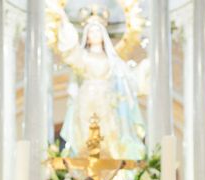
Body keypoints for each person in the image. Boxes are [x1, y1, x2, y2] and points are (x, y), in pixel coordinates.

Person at [54, 7, 146, 160]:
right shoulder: (82, 56)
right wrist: (64, 21)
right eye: (91, 31)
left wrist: (144, 71)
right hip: (86, 99)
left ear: (103, 35)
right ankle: (85, 164)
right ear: (87, 36)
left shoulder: (112, 60)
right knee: (84, 134)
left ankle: (110, 169)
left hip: (107, 100)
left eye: (97, 31)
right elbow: (70, 50)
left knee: (109, 133)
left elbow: (127, 79)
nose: (94, 34)